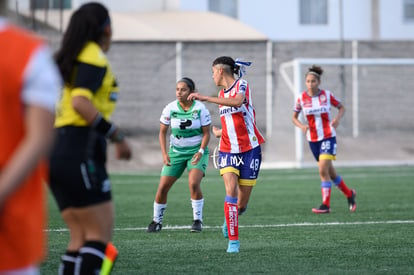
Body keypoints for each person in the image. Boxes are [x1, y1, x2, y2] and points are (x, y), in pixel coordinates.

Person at [49, 2, 132, 274]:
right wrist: (117, 135)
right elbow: (80, 103)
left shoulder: (72, 56)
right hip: (78, 148)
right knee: (98, 236)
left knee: (79, 237)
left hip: (59, 148)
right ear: (105, 28)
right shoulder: (92, 55)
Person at [0, 1, 61, 273]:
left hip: (10, 232)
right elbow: (40, 138)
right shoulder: (29, 52)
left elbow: (39, 138)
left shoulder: (28, 53)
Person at [187, 56, 265, 253]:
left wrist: (205, 97)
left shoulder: (242, 85)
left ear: (220, 70)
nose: (212, 75)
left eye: (213, 71)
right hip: (228, 149)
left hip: (250, 150)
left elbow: (238, 103)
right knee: (230, 191)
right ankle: (234, 241)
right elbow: (232, 122)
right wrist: (220, 132)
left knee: (242, 203)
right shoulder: (222, 94)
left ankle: (231, 219)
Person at [146, 77, 211, 233]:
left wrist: (201, 151)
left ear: (191, 92)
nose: (179, 92)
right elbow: (162, 133)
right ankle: (156, 221)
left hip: (196, 152)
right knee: (162, 188)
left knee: (193, 183)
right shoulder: (170, 108)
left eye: (183, 89)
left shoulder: (200, 109)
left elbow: (207, 134)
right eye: (177, 89)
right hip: (175, 153)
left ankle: (197, 220)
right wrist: (164, 153)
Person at [292, 65, 356, 214]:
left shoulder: (327, 95)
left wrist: (337, 119)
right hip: (313, 139)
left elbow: (341, 107)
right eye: (308, 81)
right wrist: (302, 126)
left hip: (328, 136)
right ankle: (349, 193)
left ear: (318, 82)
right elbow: (294, 118)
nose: (310, 84)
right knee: (330, 173)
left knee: (322, 170)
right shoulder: (301, 98)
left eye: (313, 81)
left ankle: (326, 205)